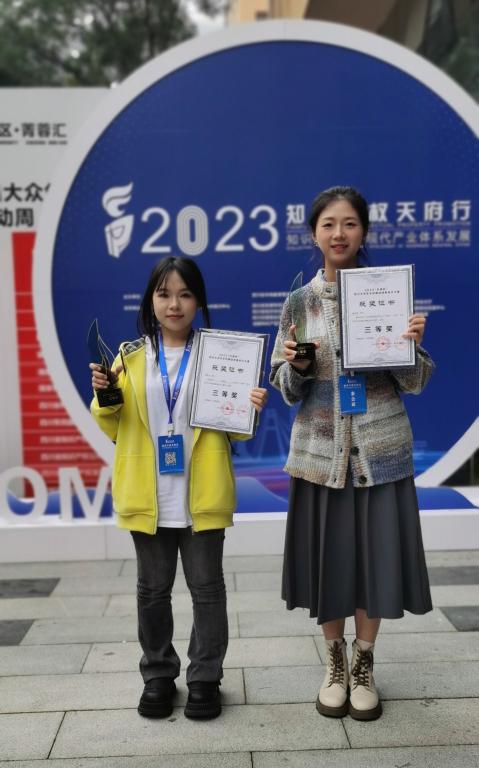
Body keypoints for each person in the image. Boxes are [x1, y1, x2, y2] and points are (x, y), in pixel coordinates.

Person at [270, 186, 434, 721]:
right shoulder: (298, 302)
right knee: (330, 562)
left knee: (373, 563)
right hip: (320, 456)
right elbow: (284, 387)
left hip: (379, 452)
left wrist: (409, 345)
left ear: (364, 231)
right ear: (314, 233)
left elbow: (415, 382)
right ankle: (335, 662)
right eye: (328, 224)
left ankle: (364, 661)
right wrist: (296, 368)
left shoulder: (388, 292)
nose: (338, 234)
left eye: (349, 224)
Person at [89, 256, 268, 721]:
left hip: (201, 492)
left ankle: (205, 678)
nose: (174, 304)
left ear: (198, 301)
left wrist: (249, 407)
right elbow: (112, 425)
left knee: (207, 590)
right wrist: (105, 394)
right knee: (152, 591)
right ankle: (158, 676)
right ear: (151, 300)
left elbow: (236, 432)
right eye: (165, 294)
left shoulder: (219, 355)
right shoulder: (128, 358)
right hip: (147, 493)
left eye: (185, 294)